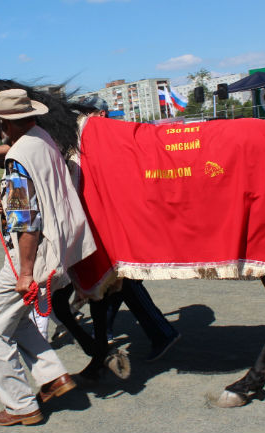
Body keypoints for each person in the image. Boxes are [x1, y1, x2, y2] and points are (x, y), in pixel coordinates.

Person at [0, 89, 96, 426]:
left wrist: (25, 273)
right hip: (66, 249)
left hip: (34, 258)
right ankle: (53, 375)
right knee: (17, 319)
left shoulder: (18, 162)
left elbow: (26, 223)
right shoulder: (42, 138)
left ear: (3, 123)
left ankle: (20, 405)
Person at [72, 95, 181, 362]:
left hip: (130, 222)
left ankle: (161, 332)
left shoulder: (115, 140)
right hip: (119, 221)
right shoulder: (94, 143)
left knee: (126, 282)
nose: (82, 119)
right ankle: (108, 330)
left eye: (87, 113)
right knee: (116, 282)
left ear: (100, 115)